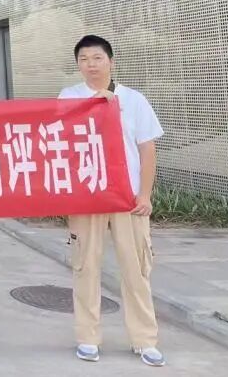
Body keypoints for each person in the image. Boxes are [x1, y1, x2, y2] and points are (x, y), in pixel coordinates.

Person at [60, 35, 165, 367]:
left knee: (136, 270)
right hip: (86, 198)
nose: (91, 65)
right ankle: (87, 337)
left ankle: (144, 340)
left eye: (97, 58)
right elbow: (58, 141)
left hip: (127, 199)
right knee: (85, 267)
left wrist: (145, 194)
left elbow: (147, 149)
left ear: (111, 61)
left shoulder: (133, 100)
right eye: (84, 59)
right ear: (78, 65)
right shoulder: (69, 97)